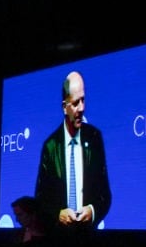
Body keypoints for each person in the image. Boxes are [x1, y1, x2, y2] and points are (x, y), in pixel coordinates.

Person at [33, 71, 112, 229]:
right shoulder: (50, 146)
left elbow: (105, 194)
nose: (82, 108)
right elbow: (40, 198)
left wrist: (92, 210)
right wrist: (57, 213)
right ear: (64, 107)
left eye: (83, 100)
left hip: (89, 238)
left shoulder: (95, 138)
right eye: (76, 103)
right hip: (58, 240)